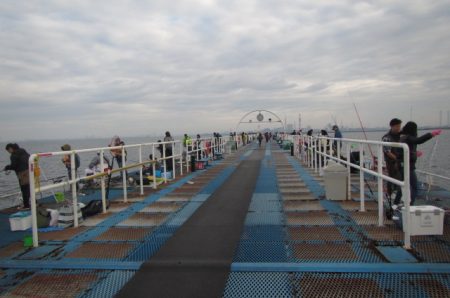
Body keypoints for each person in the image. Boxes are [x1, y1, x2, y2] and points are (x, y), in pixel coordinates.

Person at [400, 122, 441, 206]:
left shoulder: (404, 137)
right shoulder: (407, 137)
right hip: (407, 167)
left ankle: (399, 203)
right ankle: (410, 205)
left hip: (405, 165)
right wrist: (431, 134)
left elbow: (407, 150)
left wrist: (415, 153)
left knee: (404, 186)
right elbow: (418, 141)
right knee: (414, 187)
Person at [382, 118, 403, 206]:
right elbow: (387, 151)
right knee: (393, 179)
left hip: (400, 161)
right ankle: (391, 199)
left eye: (399, 126)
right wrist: (397, 159)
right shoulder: (387, 137)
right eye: (397, 126)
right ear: (392, 126)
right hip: (392, 163)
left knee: (400, 180)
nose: (399, 128)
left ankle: (395, 199)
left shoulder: (400, 136)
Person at [4, 143, 30, 209]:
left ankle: (26, 205)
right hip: (29, 171)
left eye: (8, 150)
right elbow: (29, 157)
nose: (9, 152)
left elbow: (13, 166)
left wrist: (7, 167)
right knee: (29, 188)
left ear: (10, 148)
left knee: (24, 189)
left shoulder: (13, 155)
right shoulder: (23, 150)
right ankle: (33, 202)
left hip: (21, 173)